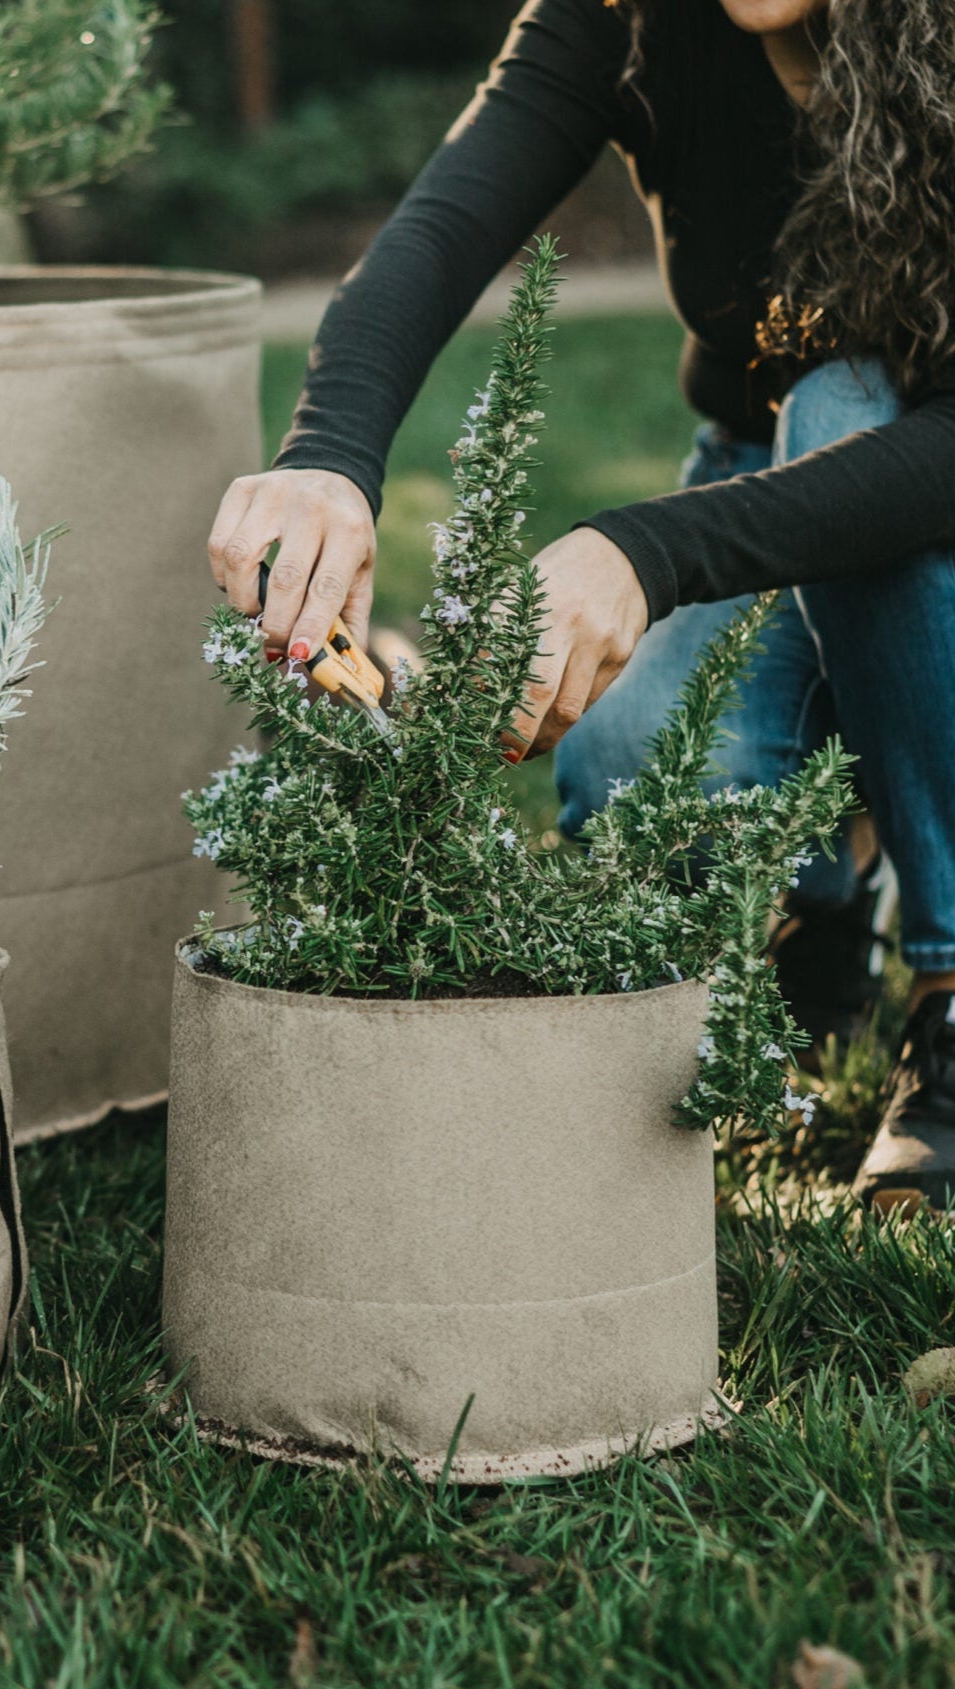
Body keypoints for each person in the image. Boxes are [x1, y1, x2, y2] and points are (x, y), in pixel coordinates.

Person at [206, 0, 955, 1203]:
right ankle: (823, 882)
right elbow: (442, 229)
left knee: (848, 398)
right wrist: (327, 455)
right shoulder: (625, 17)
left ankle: (947, 980)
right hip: (753, 471)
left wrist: (643, 553)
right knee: (623, 758)